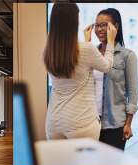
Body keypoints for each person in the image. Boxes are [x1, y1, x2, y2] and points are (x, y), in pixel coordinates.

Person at [44, 3, 117, 140]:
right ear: (73, 23)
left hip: (54, 123)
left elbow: (76, 66)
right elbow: (106, 66)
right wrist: (111, 41)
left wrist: (87, 42)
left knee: (59, 162)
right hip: (81, 123)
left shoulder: (48, 52)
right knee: (84, 163)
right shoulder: (86, 49)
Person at [92, 8, 138, 150]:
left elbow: (133, 92)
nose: (99, 29)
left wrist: (128, 124)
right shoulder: (91, 53)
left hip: (115, 125)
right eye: (97, 25)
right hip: (91, 123)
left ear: (115, 27)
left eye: (104, 25)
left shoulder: (128, 56)